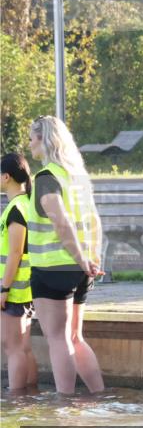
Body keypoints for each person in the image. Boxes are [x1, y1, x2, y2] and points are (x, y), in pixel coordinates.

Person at [25, 116, 105, 395]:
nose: (29, 143)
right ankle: (99, 395)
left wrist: (82, 258)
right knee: (74, 336)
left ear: (44, 140)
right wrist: (91, 258)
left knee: (57, 338)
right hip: (82, 269)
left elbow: (61, 222)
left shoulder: (46, 178)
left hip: (54, 268)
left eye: (32, 138)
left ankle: (65, 405)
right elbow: (94, 220)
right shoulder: (76, 177)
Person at [1, 153, 39, 392]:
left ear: (6, 177)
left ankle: (17, 403)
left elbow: (15, 253)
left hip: (14, 290)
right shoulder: (26, 204)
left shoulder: (16, 209)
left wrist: (4, 288)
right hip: (24, 288)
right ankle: (31, 395)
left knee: (12, 348)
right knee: (23, 348)